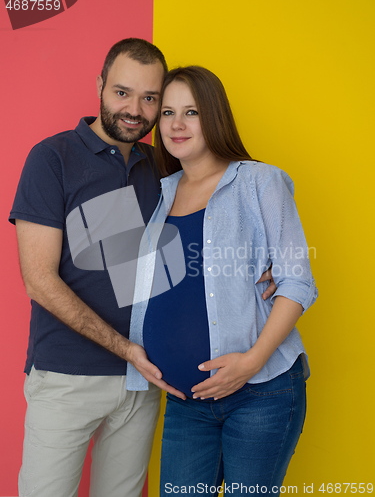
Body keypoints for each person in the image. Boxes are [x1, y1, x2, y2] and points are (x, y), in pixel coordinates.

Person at [127, 66, 318, 496]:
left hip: (260, 394)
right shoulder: (159, 192)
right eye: (169, 112)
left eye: (191, 112)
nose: (176, 125)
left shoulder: (258, 181)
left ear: (214, 115)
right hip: (184, 402)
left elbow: (298, 281)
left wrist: (249, 363)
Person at [9, 38, 184, 497]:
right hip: (67, 376)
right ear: (100, 85)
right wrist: (125, 348)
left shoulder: (161, 165)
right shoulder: (53, 158)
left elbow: (225, 202)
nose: (135, 110)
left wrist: (261, 264)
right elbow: (39, 281)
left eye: (150, 98)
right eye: (122, 92)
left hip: (143, 380)